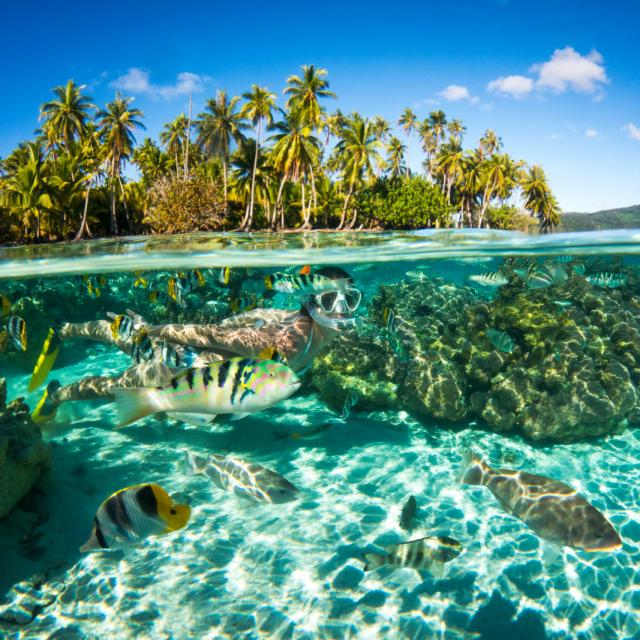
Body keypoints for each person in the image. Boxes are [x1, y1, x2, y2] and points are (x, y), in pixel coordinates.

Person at [31, 267, 362, 423]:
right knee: (113, 386)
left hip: (188, 367)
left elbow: (237, 322)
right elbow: (215, 335)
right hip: (178, 367)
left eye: (351, 299)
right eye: (331, 300)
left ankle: (65, 329)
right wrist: (157, 330)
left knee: (125, 338)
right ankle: (57, 394)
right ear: (311, 301)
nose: (342, 309)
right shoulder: (291, 344)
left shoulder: (289, 315)